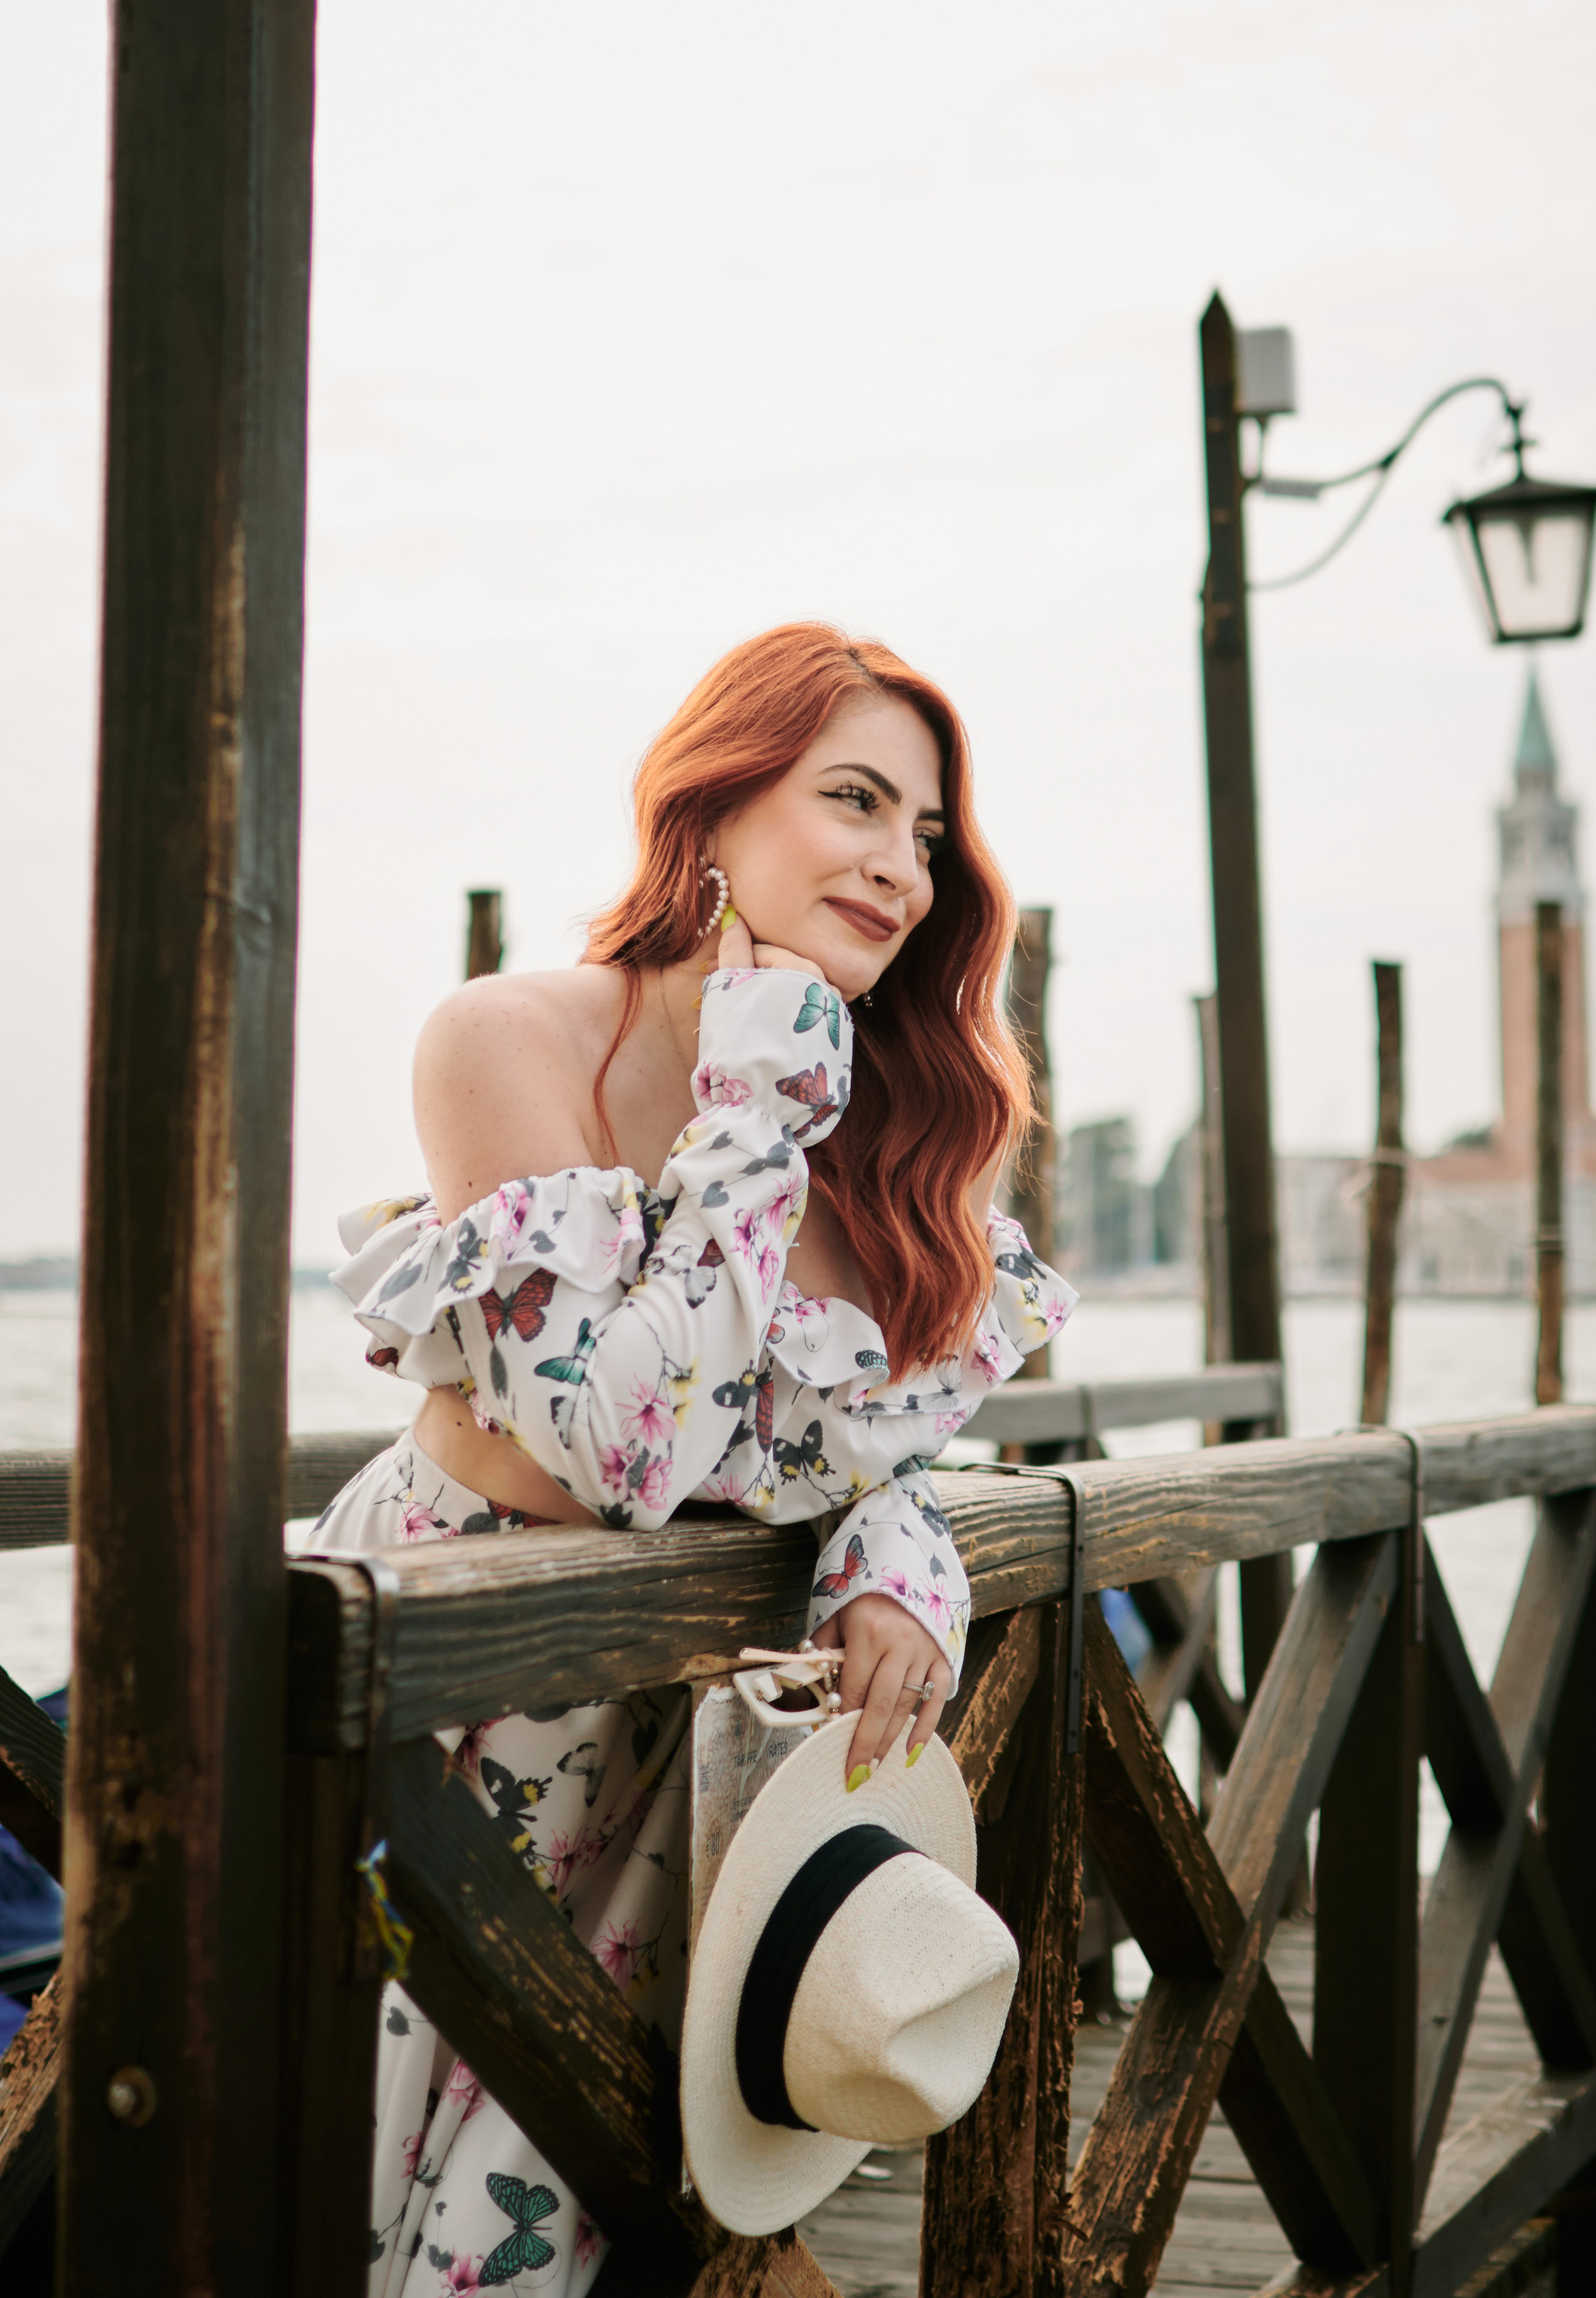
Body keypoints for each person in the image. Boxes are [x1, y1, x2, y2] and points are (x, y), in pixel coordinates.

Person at [312, 623, 1075, 2294]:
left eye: (928, 838)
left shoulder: (893, 1134)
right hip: (442, 1694)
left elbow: (859, 1451)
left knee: (587, 2209)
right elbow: (620, 1448)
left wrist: (897, 1563)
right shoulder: (510, 1039)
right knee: (363, 2188)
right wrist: (754, 1097)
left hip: (684, 1760)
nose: (897, 867)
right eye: (855, 801)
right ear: (712, 809)